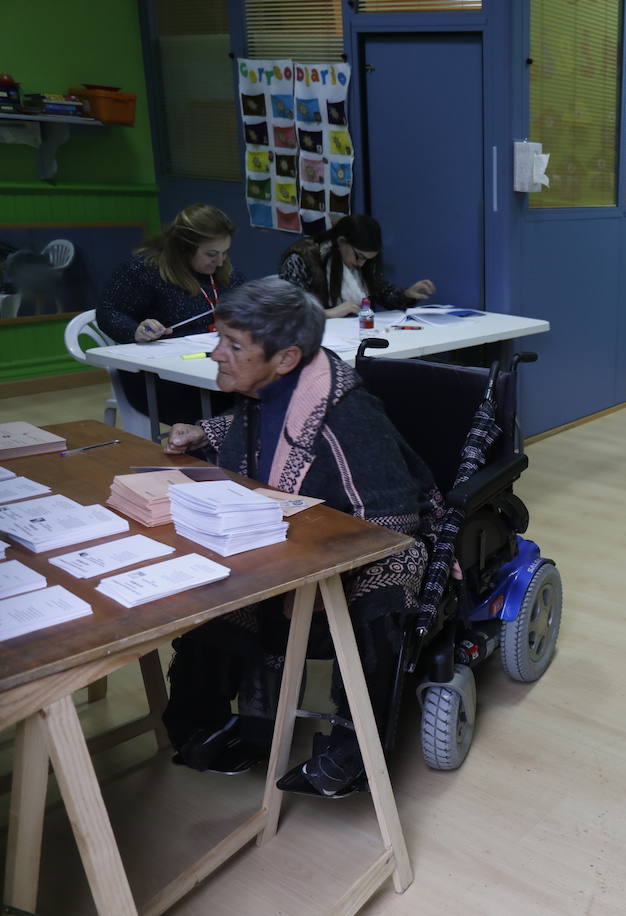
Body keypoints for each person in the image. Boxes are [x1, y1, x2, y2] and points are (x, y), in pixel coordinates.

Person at [161, 277, 441, 795]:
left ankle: (355, 751)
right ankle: (202, 725)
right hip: (293, 538)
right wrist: (207, 434)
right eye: (218, 337)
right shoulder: (266, 387)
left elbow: (392, 520)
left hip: (377, 539)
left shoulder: (347, 415)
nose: (214, 352)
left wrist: (297, 564)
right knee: (208, 580)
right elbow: (265, 427)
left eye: (233, 345)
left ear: (286, 359)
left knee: (378, 598)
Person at [96, 203, 244, 424]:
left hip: (211, 365)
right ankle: (204, 448)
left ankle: (235, 449)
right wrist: (136, 330)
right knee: (226, 401)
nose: (220, 261)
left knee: (261, 390)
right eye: (211, 254)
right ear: (184, 248)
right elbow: (108, 312)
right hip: (159, 379)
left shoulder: (224, 272)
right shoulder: (144, 270)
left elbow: (248, 306)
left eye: (225, 253)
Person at [279, 214, 436, 319]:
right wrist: (329, 313)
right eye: (359, 256)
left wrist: (408, 294)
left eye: (368, 259)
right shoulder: (301, 259)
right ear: (341, 242)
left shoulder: (362, 263)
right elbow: (289, 313)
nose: (361, 263)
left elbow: (385, 294)